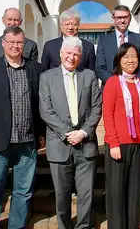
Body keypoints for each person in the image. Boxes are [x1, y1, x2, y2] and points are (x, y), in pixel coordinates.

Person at [0, 26, 46, 229]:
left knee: (23, 191)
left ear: (24, 44)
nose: (16, 46)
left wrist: (40, 132)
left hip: (27, 141)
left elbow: (38, 103)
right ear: (3, 44)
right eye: (12, 42)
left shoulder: (35, 68)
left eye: (19, 43)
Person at [39, 36, 102, 229]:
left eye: (76, 54)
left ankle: (84, 226)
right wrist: (69, 133)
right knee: (61, 195)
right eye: (68, 53)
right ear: (60, 53)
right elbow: (46, 110)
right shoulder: (47, 77)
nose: (72, 57)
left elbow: (96, 107)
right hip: (60, 145)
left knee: (86, 194)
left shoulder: (89, 76)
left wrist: (82, 132)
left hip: (86, 144)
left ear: (80, 56)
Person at [96, 4, 140, 196]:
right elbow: (100, 67)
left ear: (129, 18)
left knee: (138, 137)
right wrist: (117, 83)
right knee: (117, 136)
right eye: (118, 17)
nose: (122, 20)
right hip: (115, 92)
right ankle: (112, 187)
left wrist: (133, 80)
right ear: (113, 19)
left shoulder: (139, 39)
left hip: (135, 92)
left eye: (125, 17)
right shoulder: (104, 41)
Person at [103, 43, 140, 229]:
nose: (130, 60)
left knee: (134, 191)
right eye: (126, 57)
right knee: (116, 191)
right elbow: (107, 114)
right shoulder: (113, 82)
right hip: (118, 144)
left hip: (137, 143)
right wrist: (113, 142)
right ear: (119, 60)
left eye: (134, 56)